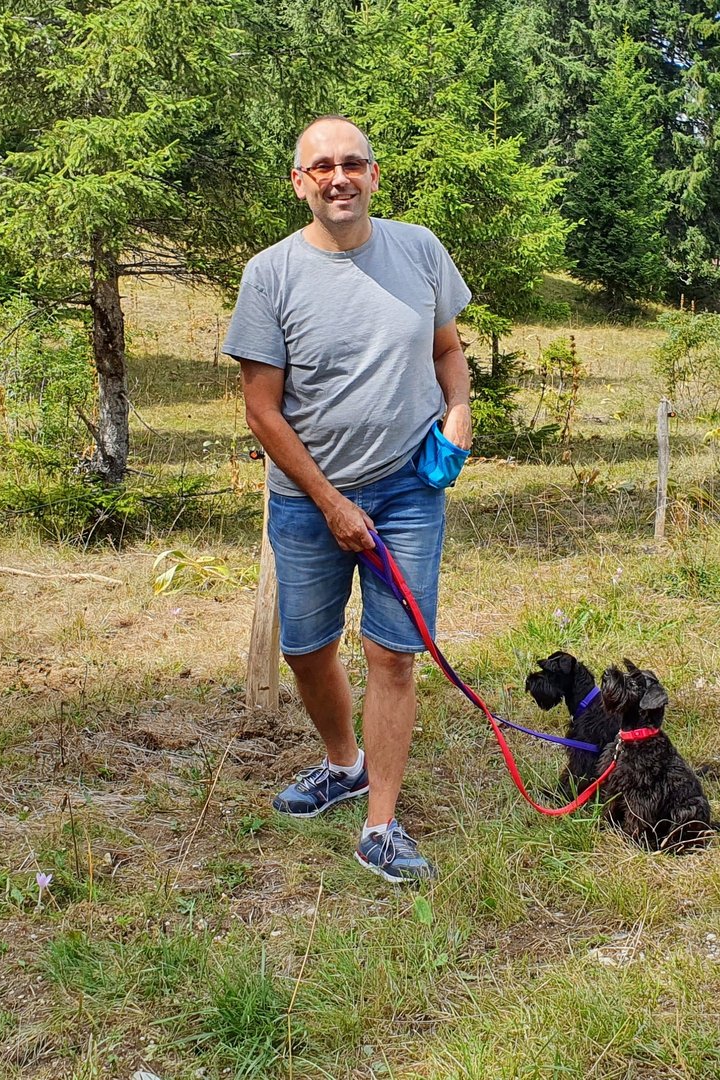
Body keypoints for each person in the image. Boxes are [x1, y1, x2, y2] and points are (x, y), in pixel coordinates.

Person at [223, 116, 473, 884]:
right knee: (305, 648)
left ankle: (381, 827)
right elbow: (261, 409)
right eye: (323, 166)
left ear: (373, 175)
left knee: (393, 655)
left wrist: (459, 415)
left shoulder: (420, 250)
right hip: (306, 498)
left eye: (353, 164)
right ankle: (344, 764)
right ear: (299, 182)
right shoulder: (270, 274)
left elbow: (447, 348)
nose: (340, 177)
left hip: (406, 488)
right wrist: (330, 501)